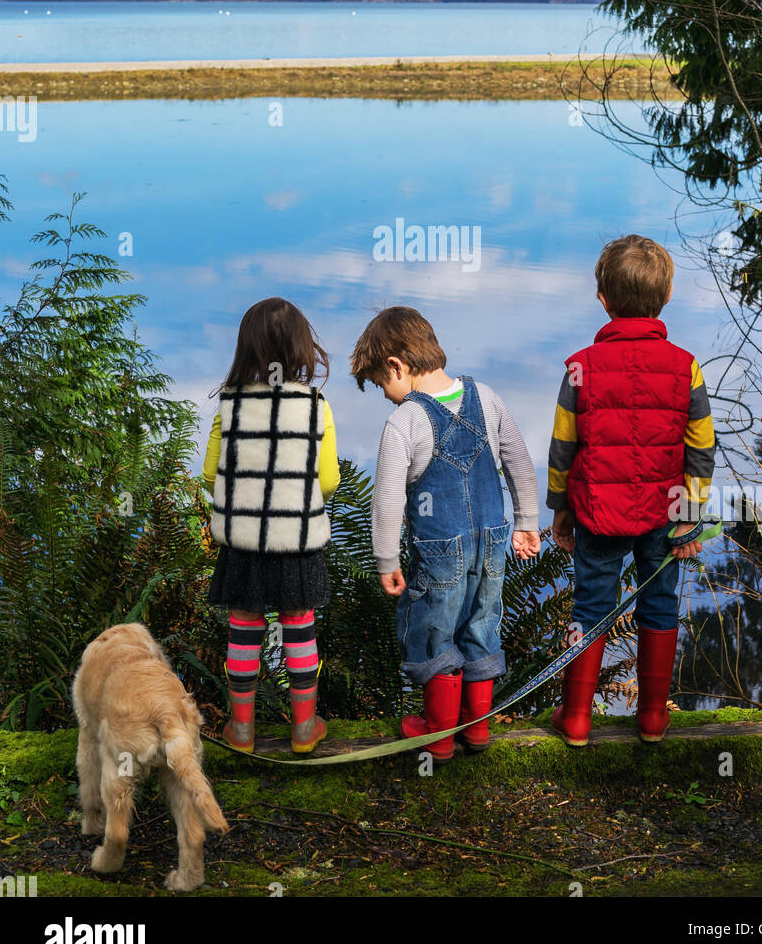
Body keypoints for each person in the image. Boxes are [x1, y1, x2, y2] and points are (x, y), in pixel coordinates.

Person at [351, 306, 540, 762]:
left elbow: (388, 500)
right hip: (493, 543)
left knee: (433, 628)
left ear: (396, 365)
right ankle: (476, 730)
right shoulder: (487, 396)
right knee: (481, 622)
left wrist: (386, 562)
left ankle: (437, 733)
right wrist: (528, 523)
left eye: (382, 384)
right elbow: (518, 461)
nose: (387, 396)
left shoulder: (406, 421)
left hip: (440, 551)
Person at [547, 235, 715, 746]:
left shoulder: (580, 366)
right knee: (660, 606)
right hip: (664, 517)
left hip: (598, 512)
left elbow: (563, 448)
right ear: (666, 298)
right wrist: (691, 515)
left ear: (603, 299)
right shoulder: (685, 365)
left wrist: (561, 508)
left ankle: (577, 718)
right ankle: (651, 718)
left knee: (590, 608)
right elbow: (701, 448)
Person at [203, 297, 340, 755]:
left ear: (246, 350)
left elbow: (209, 475)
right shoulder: (316, 406)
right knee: (299, 625)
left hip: (242, 543)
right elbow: (329, 480)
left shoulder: (230, 407)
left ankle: (241, 731)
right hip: (296, 541)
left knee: (244, 626)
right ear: (303, 349)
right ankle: (304, 729)